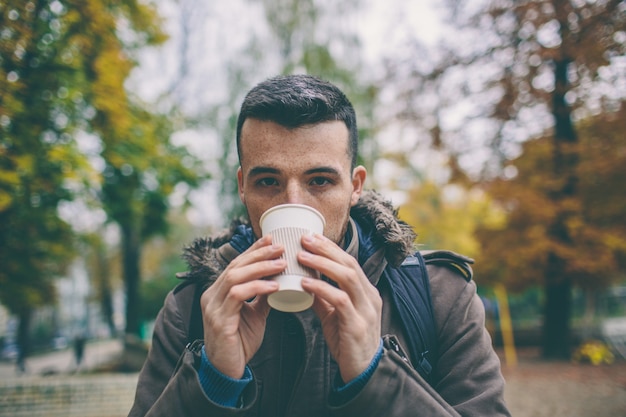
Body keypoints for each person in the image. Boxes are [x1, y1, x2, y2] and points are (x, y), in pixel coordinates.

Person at [128, 74, 510, 416]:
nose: (293, 203)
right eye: (268, 182)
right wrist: (215, 383)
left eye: (320, 181)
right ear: (242, 186)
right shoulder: (194, 306)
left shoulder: (440, 296)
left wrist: (374, 377)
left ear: (355, 186)